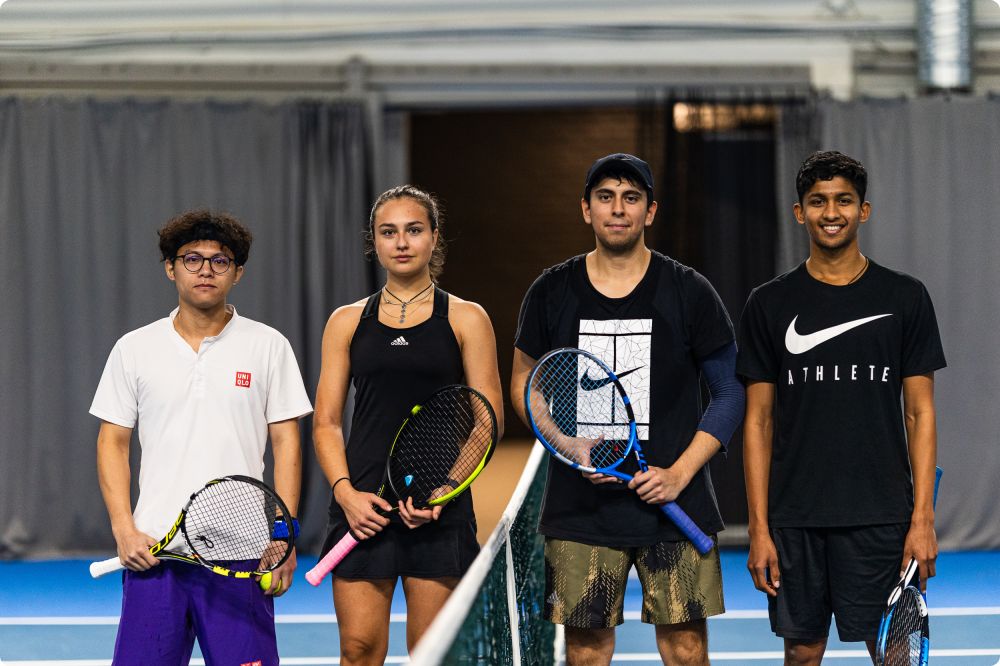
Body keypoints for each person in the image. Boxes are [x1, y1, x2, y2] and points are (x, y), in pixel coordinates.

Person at [510, 153, 744, 665]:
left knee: (686, 651)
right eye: (606, 197)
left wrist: (679, 474)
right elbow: (525, 382)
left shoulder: (690, 291)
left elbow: (730, 394)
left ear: (650, 211)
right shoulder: (550, 291)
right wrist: (565, 443)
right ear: (586, 209)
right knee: (587, 653)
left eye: (631, 198)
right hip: (580, 511)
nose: (618, 209)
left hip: (674, 509)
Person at [737, 150, 946, 665]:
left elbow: (919, 414)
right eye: (818, 202)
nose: (831, 212)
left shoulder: (906, 297)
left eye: (843, 201)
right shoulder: (768, 304)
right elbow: (758, 423)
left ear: (864, 210)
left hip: (881, 517)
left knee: (892, 654)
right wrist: (759, 528)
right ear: (799, 212)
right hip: (796, 520)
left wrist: (922, 518)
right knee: (803, 654)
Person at [91, 210, 313, 665]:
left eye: (220, 260)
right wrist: (123, 529)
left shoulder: (269, 345)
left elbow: (287, 443)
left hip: (243, 555)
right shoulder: (134, 348)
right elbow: (112, 442)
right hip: (155, 554)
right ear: (170, 268)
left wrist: (283, 535)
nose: (206, 270)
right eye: (192, 259)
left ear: (238, 273)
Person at [313, 185, 504, 665]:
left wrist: (446, 491)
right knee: (358, 651)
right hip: (363, 509)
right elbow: (326, 423)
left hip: (439, 511)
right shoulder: (346, 321)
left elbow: (488, 420)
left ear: (433, 238)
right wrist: (345, 495)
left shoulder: (467, 318)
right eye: (389, 232)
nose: (401, 242)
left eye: (414, 230)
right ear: (374, 242)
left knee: (431, 655)